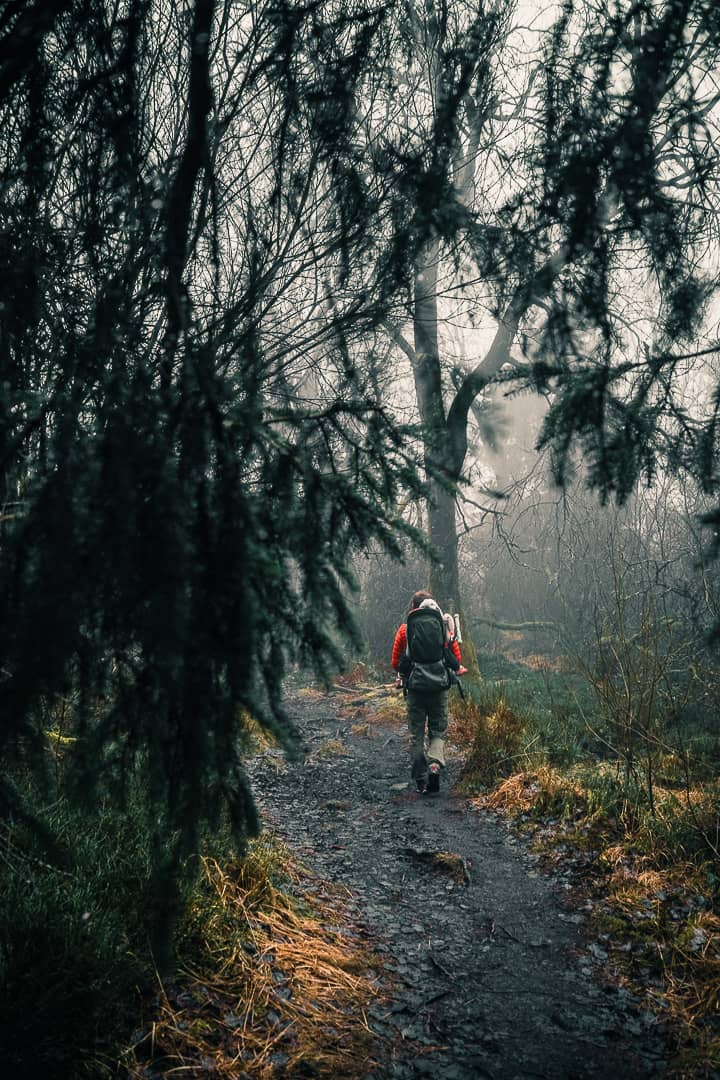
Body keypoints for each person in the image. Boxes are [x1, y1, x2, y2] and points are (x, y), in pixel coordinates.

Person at [391, 590, 464, 794]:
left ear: (414, 607)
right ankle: (434, 764)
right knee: (438, 729)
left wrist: (403, 673)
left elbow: (396, 662)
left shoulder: (406, 629)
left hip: (415, 688)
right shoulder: (442, 624)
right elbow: (454, 657)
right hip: (439, 686)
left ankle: (421, 778)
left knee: (416, 733)